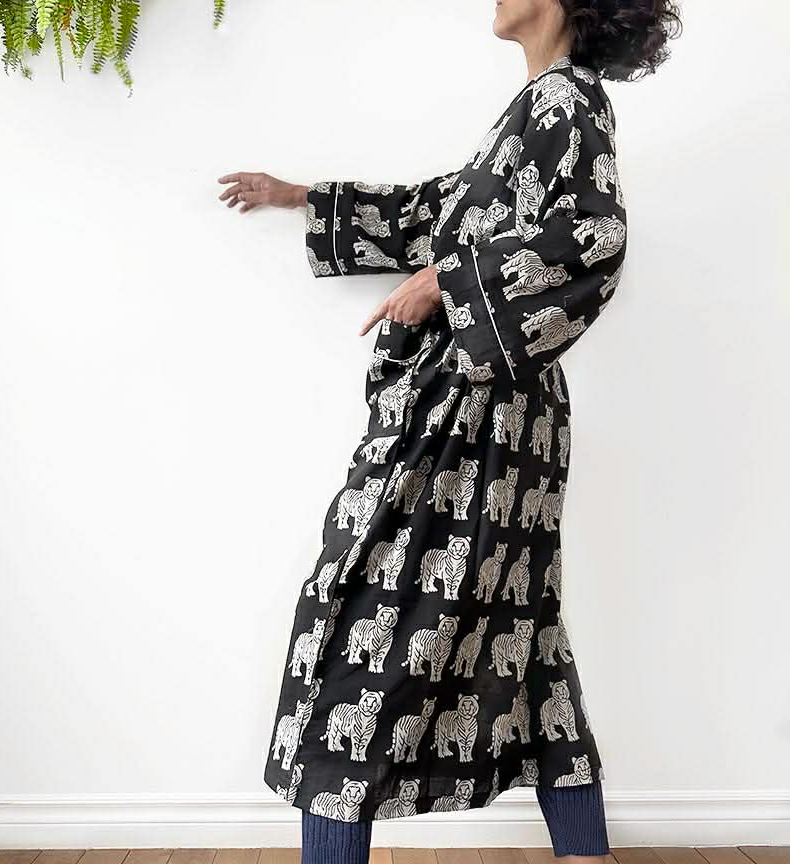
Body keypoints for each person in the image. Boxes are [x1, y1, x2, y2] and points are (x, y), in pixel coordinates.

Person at [219, 1, 680, 861]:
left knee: (362, 618)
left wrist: (446, 284)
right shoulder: (538, 109)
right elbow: (441, 210)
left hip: (476, 412)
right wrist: (303, 197)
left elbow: (597, 238)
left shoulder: (566, 103)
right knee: (522, 637)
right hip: (501, 416)